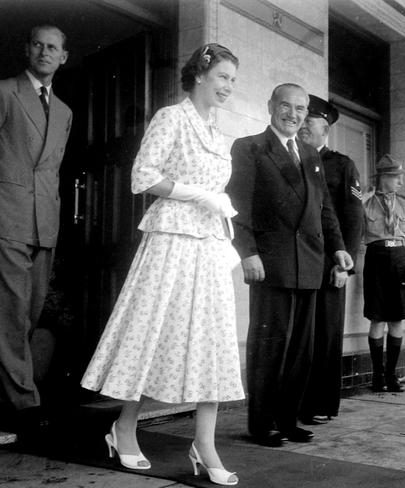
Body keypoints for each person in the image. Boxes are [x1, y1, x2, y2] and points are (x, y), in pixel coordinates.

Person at [81, 44, 243, 485]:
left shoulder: (216, 132)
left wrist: (218, 203)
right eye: (223, 77)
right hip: (171, 238)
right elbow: (143, 176)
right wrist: (197, 194)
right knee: (154, 332)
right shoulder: (172, 117)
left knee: (213, 338)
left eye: (233, 79)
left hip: (209, 244)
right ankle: (125, 427)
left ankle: (204, 443)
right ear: (199, 75)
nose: (229, 86)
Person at [226, 83, 352, 448]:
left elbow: (325, 210)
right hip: (272, 263)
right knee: (270, 347)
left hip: (310, 263)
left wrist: (339, 250)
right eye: (286, 106)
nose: (293, 114)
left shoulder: (312, 154)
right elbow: (238, 206)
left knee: (300, 349)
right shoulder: (249, 147)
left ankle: (288, 419)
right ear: (270, 106)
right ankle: (262, 423)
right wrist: (247, 252)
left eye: (300, 108)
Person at [0, 24, 72, 435]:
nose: (45, 52)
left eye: (53, 48)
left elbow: (52, 170)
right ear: (27, 50)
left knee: (28, 312)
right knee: (10, 311)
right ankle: (23, 403)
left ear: (63, 56)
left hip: (44, 221)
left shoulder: (64, 110)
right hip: (6, 215)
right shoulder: (5, 92)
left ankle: (8, 393)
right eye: (38, 45)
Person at [297, 95, 363, 425]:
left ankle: (320, 404)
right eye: (302, 124)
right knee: (303, 334)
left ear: (326, 129)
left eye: (309, 124)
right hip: (300, 261)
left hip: (330, 263)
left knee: (325, 334)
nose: (303, 128)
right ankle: (296, 403)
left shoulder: (341, 164)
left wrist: (344, 265)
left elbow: (353, 218)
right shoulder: (295, 158)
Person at [362, 155, 405, 393]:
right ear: (384, 178)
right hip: (376, 260)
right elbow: (353, 227)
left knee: (396, 318)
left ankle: (391, 375)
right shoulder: (365, 203)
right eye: (396, 177)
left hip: (399, 261)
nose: (400, 182)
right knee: (377, 318)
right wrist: (360, 201)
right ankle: (377, 376)